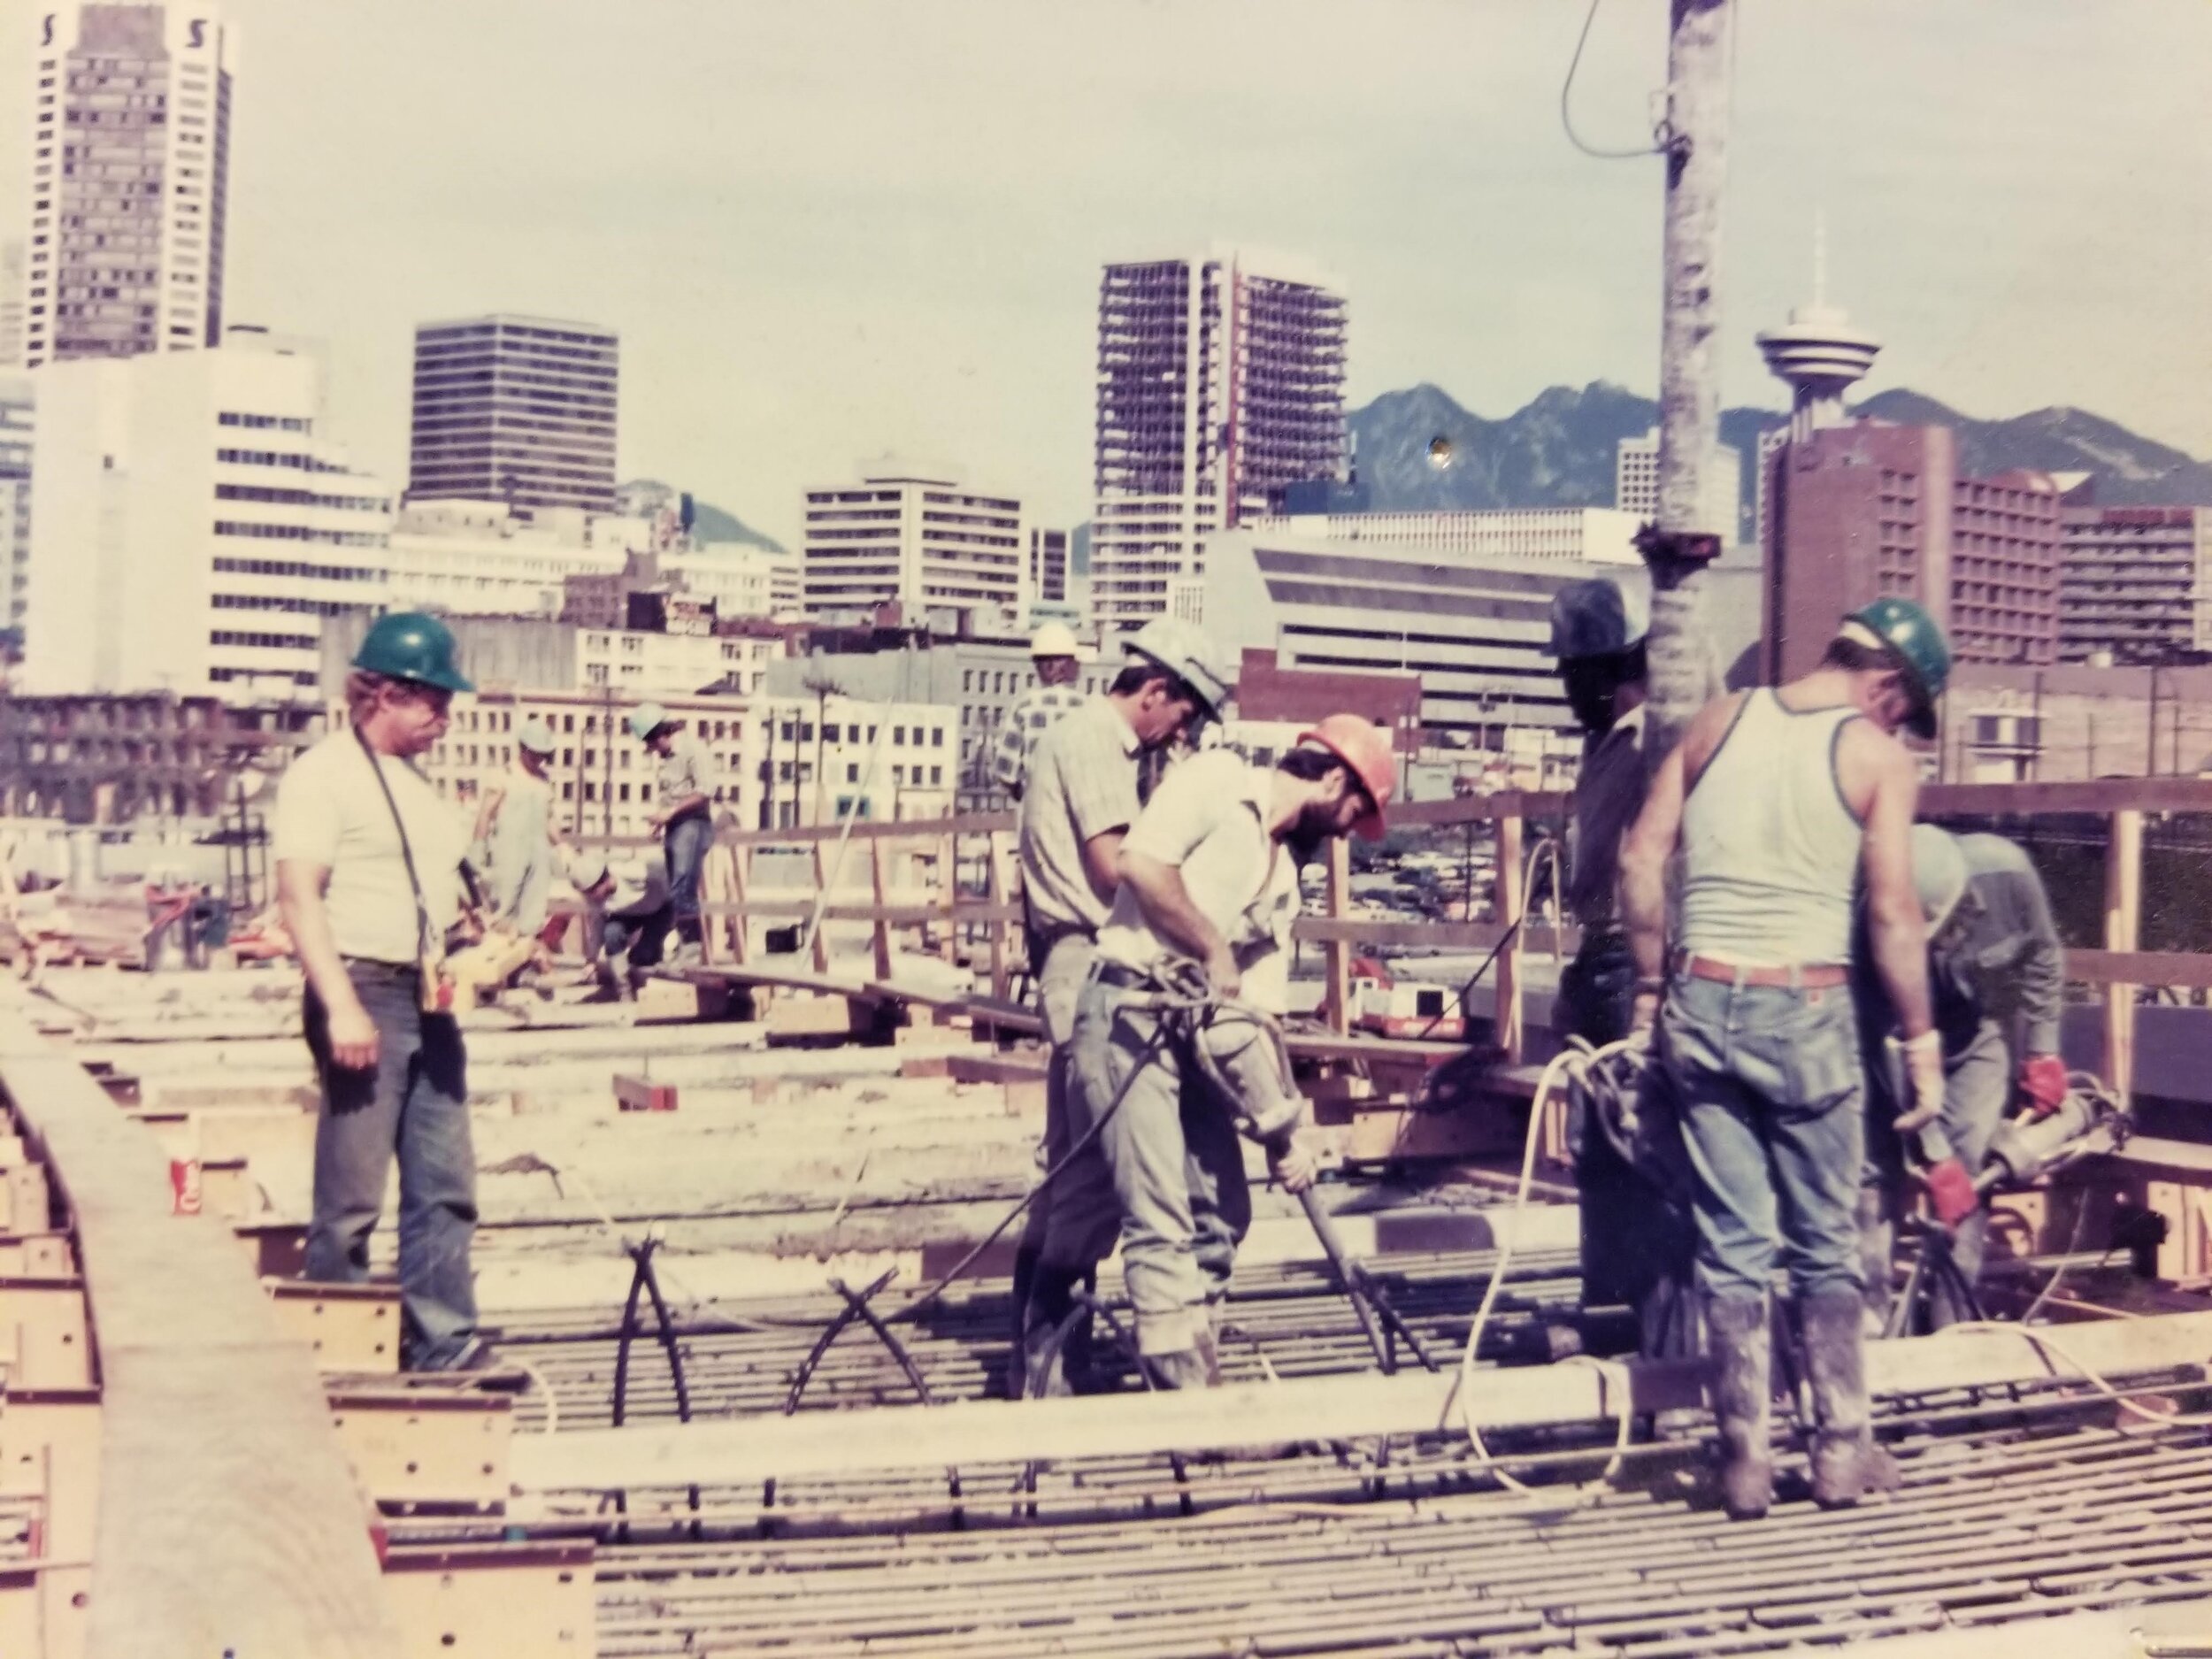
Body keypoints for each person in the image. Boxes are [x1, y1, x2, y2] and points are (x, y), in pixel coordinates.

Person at [1619, 595, 1952, 1517]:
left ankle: (1743, 1462)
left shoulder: (1719, 719)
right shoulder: (1876, 757)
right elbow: (1891, 915)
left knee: (1730, 1242)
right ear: (1887, 684)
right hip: (1803, 1006)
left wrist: (1651, 989)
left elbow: (1640, 860)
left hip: (1700, 997)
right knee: (1824, 1243)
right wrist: (1922, 1045)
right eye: (1902, 710)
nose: (1897, 727)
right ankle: (1840, 1453)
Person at [1044, 715, 1396, 1390]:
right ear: (1331, 778)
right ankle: (1175, 1400)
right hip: (1127, 1010)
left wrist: (1281, 1131)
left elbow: (1252, 1019)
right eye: (1356, 809)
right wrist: (1212, 944)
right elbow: (1140, 865)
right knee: (1157, 1215)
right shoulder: (1217, 779)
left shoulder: (1283, 880)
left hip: (1192, 1032)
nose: (1350, 829)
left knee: (1222, 1209)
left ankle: (1187, 1352)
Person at [1009, 617, 1231, 1396]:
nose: (1186, 730)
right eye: (1187, 712)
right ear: (1158, 691)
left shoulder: (1100, 742)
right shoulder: (1096, 741)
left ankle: (1048, 1355)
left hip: (1082, 956)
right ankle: (1043, 1352)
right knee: (1093, 1166)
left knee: (1081, 1164)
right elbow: (1115, 870)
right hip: (1083, 955)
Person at [274, 612, 483, 1371]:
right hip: (363, 986)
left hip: (424, 996)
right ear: (384, 694)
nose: (444, 716)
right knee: (352, 1194)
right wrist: (341, 1005)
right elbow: (299, 897)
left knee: (444, 1181)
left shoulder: (414, 786)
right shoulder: (323, 775)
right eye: (431, 699)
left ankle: (444, 1342)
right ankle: (338, 1355)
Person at [1548, 578, 1698, 1362]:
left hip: (1632, 961)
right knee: (1597, 1148)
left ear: (1610, 667)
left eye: (1574, 673)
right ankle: (1610, 1315)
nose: (1566, 689)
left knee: (1641, 1149)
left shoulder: (1653, 740)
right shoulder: (1604, 741)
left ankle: (1661, 1334)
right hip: (1596, 958)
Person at [1859, 824, 2066, 1334]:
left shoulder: (2010, 876)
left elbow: (2042, 957)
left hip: (1973, 1034)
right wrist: (1933, 1153)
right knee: (1871, 1180)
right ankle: (1871, 1329)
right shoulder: (1870, 917)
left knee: (1973, 1174)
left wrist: (2042, 1051)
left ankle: (1953, 1328)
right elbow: (1885, 1043)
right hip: (1890, 1047)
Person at [448, 717, 563, 1006]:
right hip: (509, 852)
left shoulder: (544, 781)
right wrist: (478, 849)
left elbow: (549, 820)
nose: (539, 759)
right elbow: (485, 814)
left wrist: (564, 847)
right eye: (535, 753)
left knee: (531, 917)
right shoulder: (503, 776)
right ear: (523, 749)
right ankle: (493, 978)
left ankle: (519, 972)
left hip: (538, 853)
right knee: (503, 914)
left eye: (543, 754)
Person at [629, 703, 718, 968]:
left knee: (683, 886)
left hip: (693, 824)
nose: (654, 750)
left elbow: (705, 791)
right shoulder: (667, 760)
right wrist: (662, 819)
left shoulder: (693, 750)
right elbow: (671, 796)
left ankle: (692, 948)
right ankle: (685, 945)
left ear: (661, 734)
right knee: (675, 888)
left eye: (652, 743)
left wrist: (670, 814)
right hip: (675, 827)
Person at [992, 621, 1090, 801]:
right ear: (1065, 666)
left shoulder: (1024, 707)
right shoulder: (1089, 708)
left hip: (1038, 811)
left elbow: (1005, 772)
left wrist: (1024, 797)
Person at [574, 851, 674, 1000]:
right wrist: (591, 960)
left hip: (659, 909)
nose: (590, 898)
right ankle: (624, 991)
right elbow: (597, 927)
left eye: (591, 892)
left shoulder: (635, 874)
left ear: (604, 881)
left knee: (645, 955)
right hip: (627, 914)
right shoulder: (596, 900)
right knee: (611, 934)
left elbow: (670, 870)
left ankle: (647, 969)